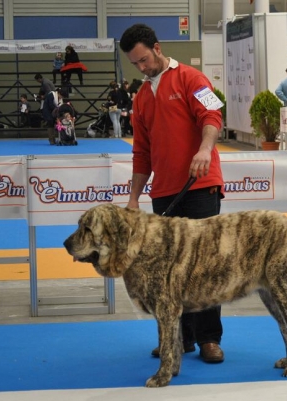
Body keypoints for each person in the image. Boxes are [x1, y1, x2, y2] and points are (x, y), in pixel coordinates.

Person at [119, 23, 225, 364]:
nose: (143, 68)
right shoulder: (140, 99)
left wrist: (205, 149)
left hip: (200, 185)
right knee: (169, 270)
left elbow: (213, 115)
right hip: (163, 194)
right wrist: (134, 198)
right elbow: (141, 153)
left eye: (145, 60)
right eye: (136, 64)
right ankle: (180, 338)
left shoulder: (194, 79)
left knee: (205, 265)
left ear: (158, 48)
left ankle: (210, 339)